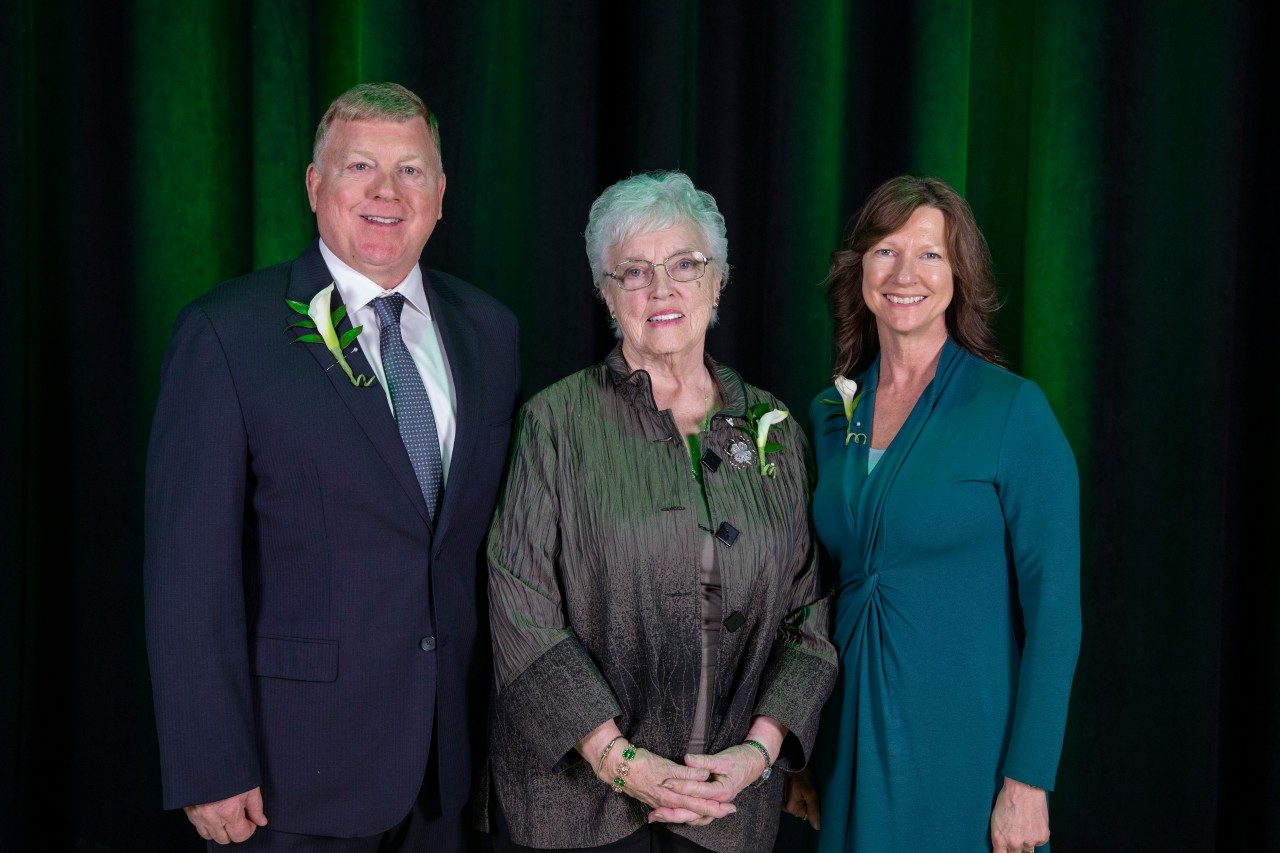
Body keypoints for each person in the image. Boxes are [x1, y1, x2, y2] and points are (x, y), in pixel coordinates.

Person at [144, 82, 519, 850]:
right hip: (289, 775)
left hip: (446, 767)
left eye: (411, 171)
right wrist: (209, 758)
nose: (386, 191)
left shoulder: (491, 330)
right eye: (359, 166)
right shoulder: (228, 333)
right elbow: (188, 569)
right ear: (316, 186)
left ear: (441, 195)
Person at [483, 170, 836, 853]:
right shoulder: (555, 421)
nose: (662, 288)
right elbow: (519, 606)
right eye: (634, 272)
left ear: (719, 279)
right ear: (606, 294)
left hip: (731, 803)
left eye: (685, 264)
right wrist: (621, 760)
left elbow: (810, 617)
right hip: (582, 810)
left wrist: (758, 756)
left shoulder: (774, 426)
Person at [790, 175, 1081, 853]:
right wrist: (797, 751)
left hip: (966, 751)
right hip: (853, 739)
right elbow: (815, 592)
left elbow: (1057, 611)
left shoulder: (1012, 410)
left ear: (959, 275)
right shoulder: (832, 413)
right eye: (885, 251)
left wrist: (1029, 779)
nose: (904, 273)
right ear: (859, 268)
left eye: (930, 254)